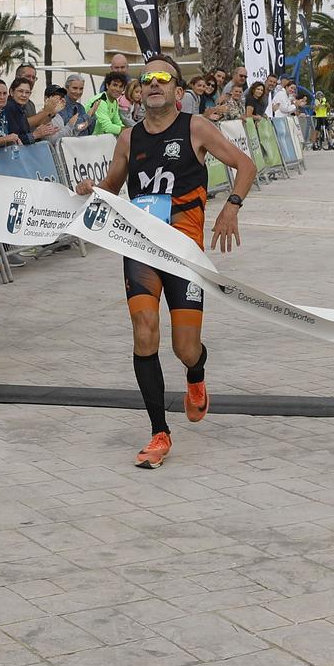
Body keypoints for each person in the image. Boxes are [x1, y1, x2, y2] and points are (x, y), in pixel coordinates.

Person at [75, 57, 256, 469]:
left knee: (185, 348)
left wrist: (232, 207)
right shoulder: (127, 137)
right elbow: (110, 187)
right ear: (139, 91)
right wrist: (91, 190)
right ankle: (159, 432)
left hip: (183, 252)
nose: (153, 83)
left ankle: (196, 374)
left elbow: (245, 166)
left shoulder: (196, 128)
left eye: (162, 78)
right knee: (144, 334)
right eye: (147, 78)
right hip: (141, 248)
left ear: (178, 91)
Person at [86, 72, 129, 138]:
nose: (117, 89)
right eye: (115, 85)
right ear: (107, 85)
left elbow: (117, 122)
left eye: (120, 87)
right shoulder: (101, 100)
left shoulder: (115, 101)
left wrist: (128, 131)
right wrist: (128, 131)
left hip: (97, 139)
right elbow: (107, 127)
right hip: (86, 138)